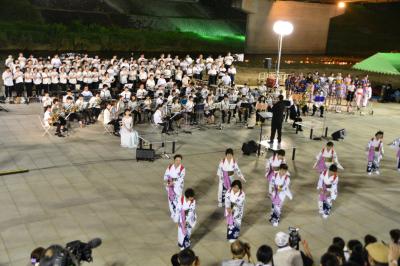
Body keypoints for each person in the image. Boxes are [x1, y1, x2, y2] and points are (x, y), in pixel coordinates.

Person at [164, 154, 186, 221]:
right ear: (174, 160)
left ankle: (177, 214)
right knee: (171, 200)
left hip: (177, 187)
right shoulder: (170, 167)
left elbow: (181, 178)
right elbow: (166, 175)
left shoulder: (182, 168)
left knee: (177, 200)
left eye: (179, 160)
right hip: (170, 186)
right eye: (177, 160)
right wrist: (168, 182)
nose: (178, 161)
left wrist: (173, 182)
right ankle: (173, 213)